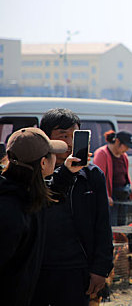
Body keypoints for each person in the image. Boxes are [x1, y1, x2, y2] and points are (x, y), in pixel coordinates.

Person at [31, 108, 114, 306]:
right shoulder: (34, 174)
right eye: (63, 136)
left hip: (77, 269)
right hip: (38, 269)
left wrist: (100, 269)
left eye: (74, 135)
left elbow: (102, 225)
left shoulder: (92, 175)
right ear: (47, 138)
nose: (69, 143)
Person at [0, 128, 67, 306]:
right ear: (43, 163)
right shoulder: (11, 210)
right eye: (53, 154)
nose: (58, 158)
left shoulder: (23, 195)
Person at [93, 130, 132, 226]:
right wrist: (106, 195)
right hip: (111, 197)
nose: (126, 149)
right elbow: (97, 178)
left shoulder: (124, 156)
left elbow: (126, 176)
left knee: (122, 224)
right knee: (111, 225)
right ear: (117, 141)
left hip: (123, 195)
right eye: (125, 146)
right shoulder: (102, 153)